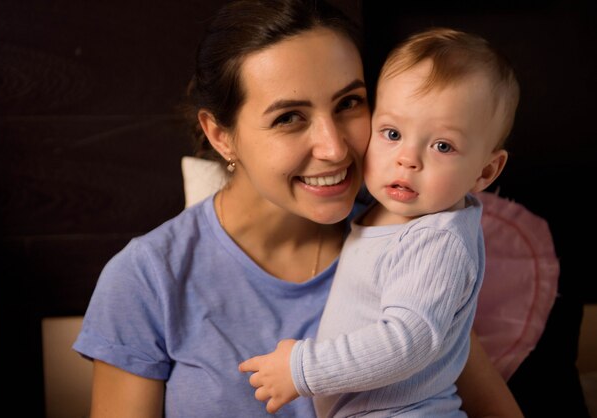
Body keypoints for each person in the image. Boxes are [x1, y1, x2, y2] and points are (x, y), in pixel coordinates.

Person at [72, 1, 523, 417]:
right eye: (289, 117)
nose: (333, 148)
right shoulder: (147, 279)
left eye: (349, 103)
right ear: (220, 135)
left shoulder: (410, 232)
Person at [239, 27, 520, 418]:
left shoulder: (438, 241)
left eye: (442, 146)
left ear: (485, 172)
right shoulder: (383, 209)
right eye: (391, 133)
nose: (407, 159)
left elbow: (408, 341)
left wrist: (303, 369)